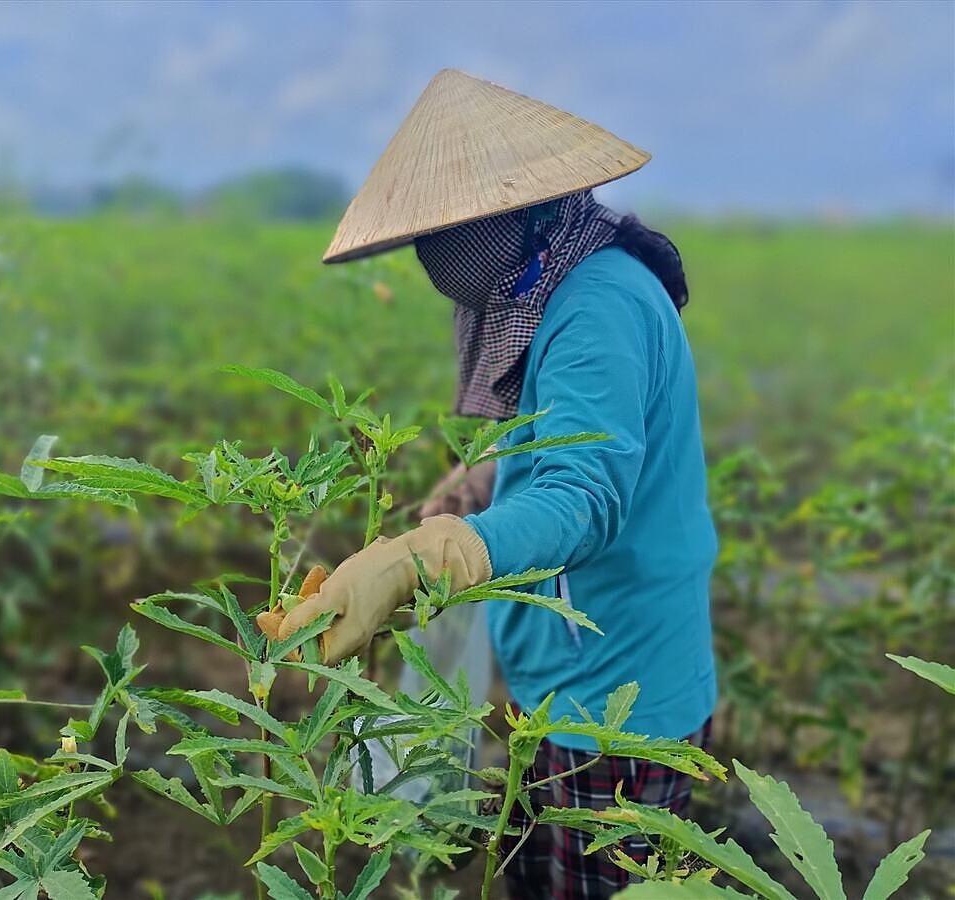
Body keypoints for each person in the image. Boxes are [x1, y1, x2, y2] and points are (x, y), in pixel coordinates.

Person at [277, 69, 717, 899]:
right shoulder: (560, 283)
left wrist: (421, 558)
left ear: (515, 217)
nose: (435, 260)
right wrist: (482, 477)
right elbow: (573, 435)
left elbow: (585, 492)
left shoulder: (596, 305)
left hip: (616, 697)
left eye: (449, 235)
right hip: (561, 667)